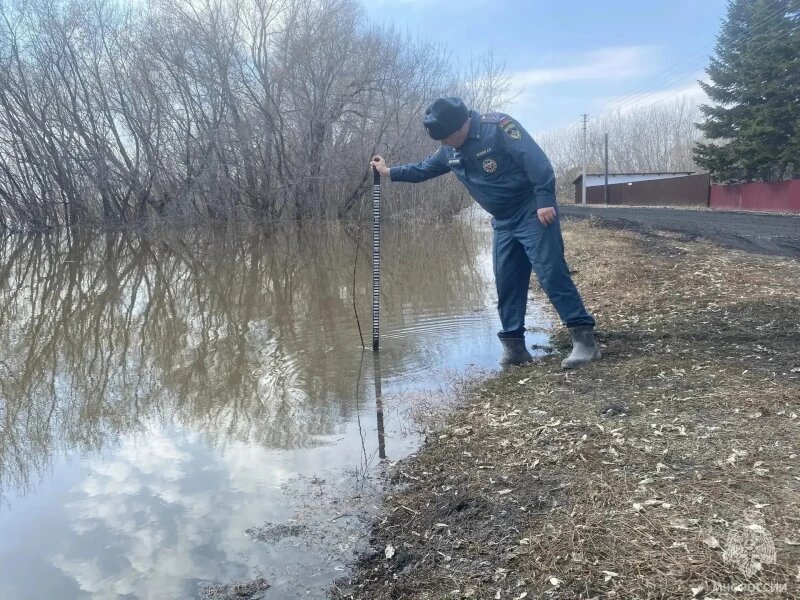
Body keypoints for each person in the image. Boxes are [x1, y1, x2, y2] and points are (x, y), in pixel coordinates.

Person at [370, 97, 600, 368]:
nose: (446, 143)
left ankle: (584, 340)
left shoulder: (499, 127)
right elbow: (423, 169)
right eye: (441, 140)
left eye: (449, 137)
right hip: (502, 221)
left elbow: (536, 161)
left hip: (531, 211)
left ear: (464, 123)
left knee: (550, 272)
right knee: (506, 281)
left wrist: (545, 199)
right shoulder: (449, 150)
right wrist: (387, 172)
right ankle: (515, 348)